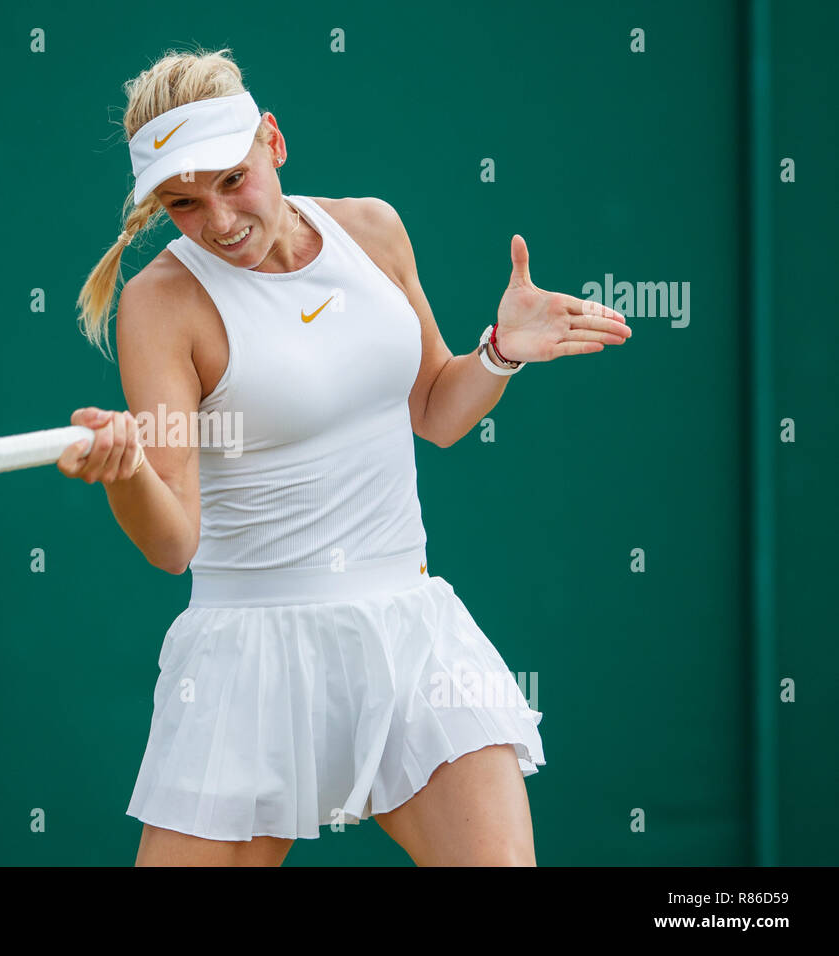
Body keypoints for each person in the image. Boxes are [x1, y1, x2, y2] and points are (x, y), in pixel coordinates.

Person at [60, 48, 630, 866]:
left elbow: (436, 409)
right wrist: (127, 475)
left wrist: (501, 351)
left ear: (273, 141)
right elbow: (171, 542)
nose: (219, 220)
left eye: (232, 180)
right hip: (246, 663)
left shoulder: (372, 228)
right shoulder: (158, 303)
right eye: (183, 203)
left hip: (408, 632)